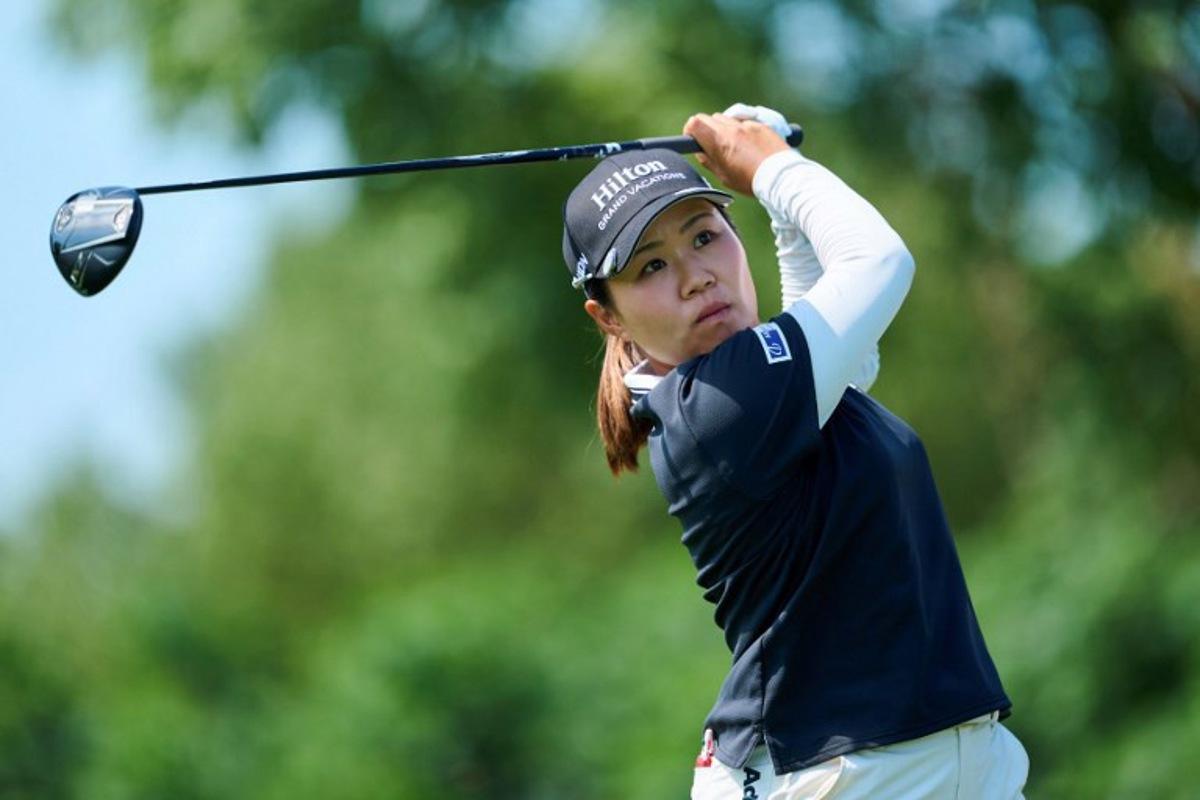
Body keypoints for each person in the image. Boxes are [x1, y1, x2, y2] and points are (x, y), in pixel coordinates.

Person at [560, 104, 1030, 799]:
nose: (695, 276)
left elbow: (837, 341)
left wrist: (780, 204)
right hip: (833, 775)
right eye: (651, 265)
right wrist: (775, 167)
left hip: (936, 761)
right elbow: (878, 260)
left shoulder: (759, 390)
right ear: (608, 315)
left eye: (705, 236)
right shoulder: (714, 409)